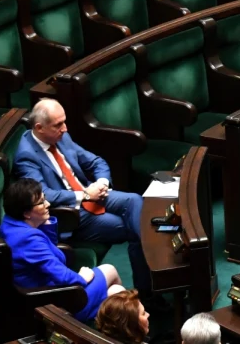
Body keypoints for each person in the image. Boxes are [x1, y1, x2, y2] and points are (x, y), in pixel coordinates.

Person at [12, 99, 150, 296]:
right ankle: (149, 287)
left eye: (64, 122)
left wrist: (101, 183)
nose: (65, 129)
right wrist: (85, 195)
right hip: (73, 213)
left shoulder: (61, 137)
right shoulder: (26, 156)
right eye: (58, 125)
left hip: (92, 193)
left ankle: (149, 281)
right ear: (39, 128)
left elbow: (95, 161)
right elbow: (44, 195)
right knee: (134, 228)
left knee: (134, 200)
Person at [0, 178, 125, 322]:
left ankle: (119, 330)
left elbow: (50, 248)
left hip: (49, 290)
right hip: (54, 301)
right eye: (41, 203)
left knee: (116, 293)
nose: (48, 204)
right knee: (110, 270)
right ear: (26, 213)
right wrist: (82, 278)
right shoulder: (28, 239)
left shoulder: (12, 223)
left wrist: (45, 224)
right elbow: (62, 276)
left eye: (45, 199)